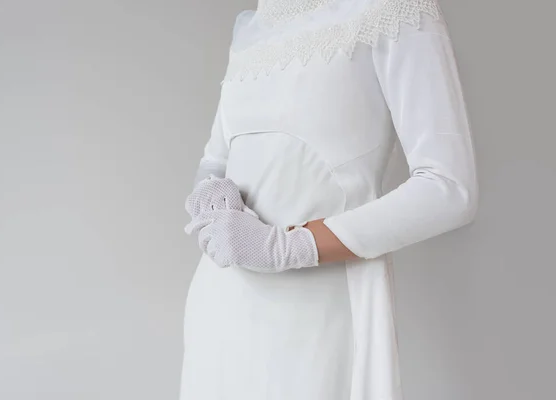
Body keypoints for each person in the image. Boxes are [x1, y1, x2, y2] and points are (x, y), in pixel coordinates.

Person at [179, 0, 478, 399]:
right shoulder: (254, 26)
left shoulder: (393, 10)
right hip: (218, 309)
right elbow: (214, 162)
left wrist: (288, 246)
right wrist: (212, 196)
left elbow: (450, 189)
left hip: (320, 314)